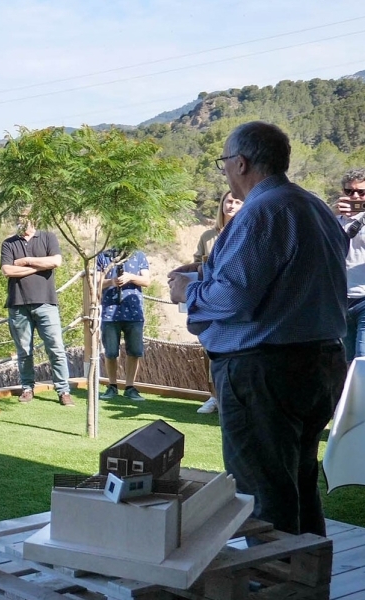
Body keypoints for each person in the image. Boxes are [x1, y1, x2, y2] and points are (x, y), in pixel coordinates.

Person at [168, 121, 346, 536]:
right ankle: (306, 583)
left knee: (264, 494)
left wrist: (186, 291)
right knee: (298, 486)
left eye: (224, 163)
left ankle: (274, 586)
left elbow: (233, 297)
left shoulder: (264, 212)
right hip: (316, 365)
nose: (225, 172)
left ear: (241, 163)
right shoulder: (314, 206)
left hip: (265, 372)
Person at [0, 212, 73, 406]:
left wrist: (25, 261)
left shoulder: (48, 237)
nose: (20, 219)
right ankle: (27, 388)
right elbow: (8, 270)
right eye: (17, 216)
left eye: (25, 216)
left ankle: (63, 390)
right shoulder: (9, 243)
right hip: (18, 304)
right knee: (24, 351)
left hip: (46, 303)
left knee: (56, 348)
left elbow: (56, 261)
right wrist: (40, 265)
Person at [189, 191, 243, 414]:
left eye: (237, 201)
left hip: (234, 301)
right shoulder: (208, 236)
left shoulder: (244, 232)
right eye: (228, 201)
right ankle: (213, 396)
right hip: (209, 300)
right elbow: (196, 264)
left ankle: (233, 397)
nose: (231, 205)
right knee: (208, 348)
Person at [96, 248, 151, 402]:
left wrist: (130, 277)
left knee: (135, 351)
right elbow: (97, 282)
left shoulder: (139, 255)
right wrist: (112, 281)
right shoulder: (104, 256)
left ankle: (130, 387)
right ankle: (112, 386)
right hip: (110, 311)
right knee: (110, 351)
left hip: (134, 311)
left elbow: (146, 281)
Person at [336, 168, 365, 362]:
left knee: (362, 358)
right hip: (340, 300)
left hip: (364, 298)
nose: (354, 196)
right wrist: (332, 212)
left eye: (361, 192)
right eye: (349, 192)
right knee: (346, 361)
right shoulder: (332, 220)